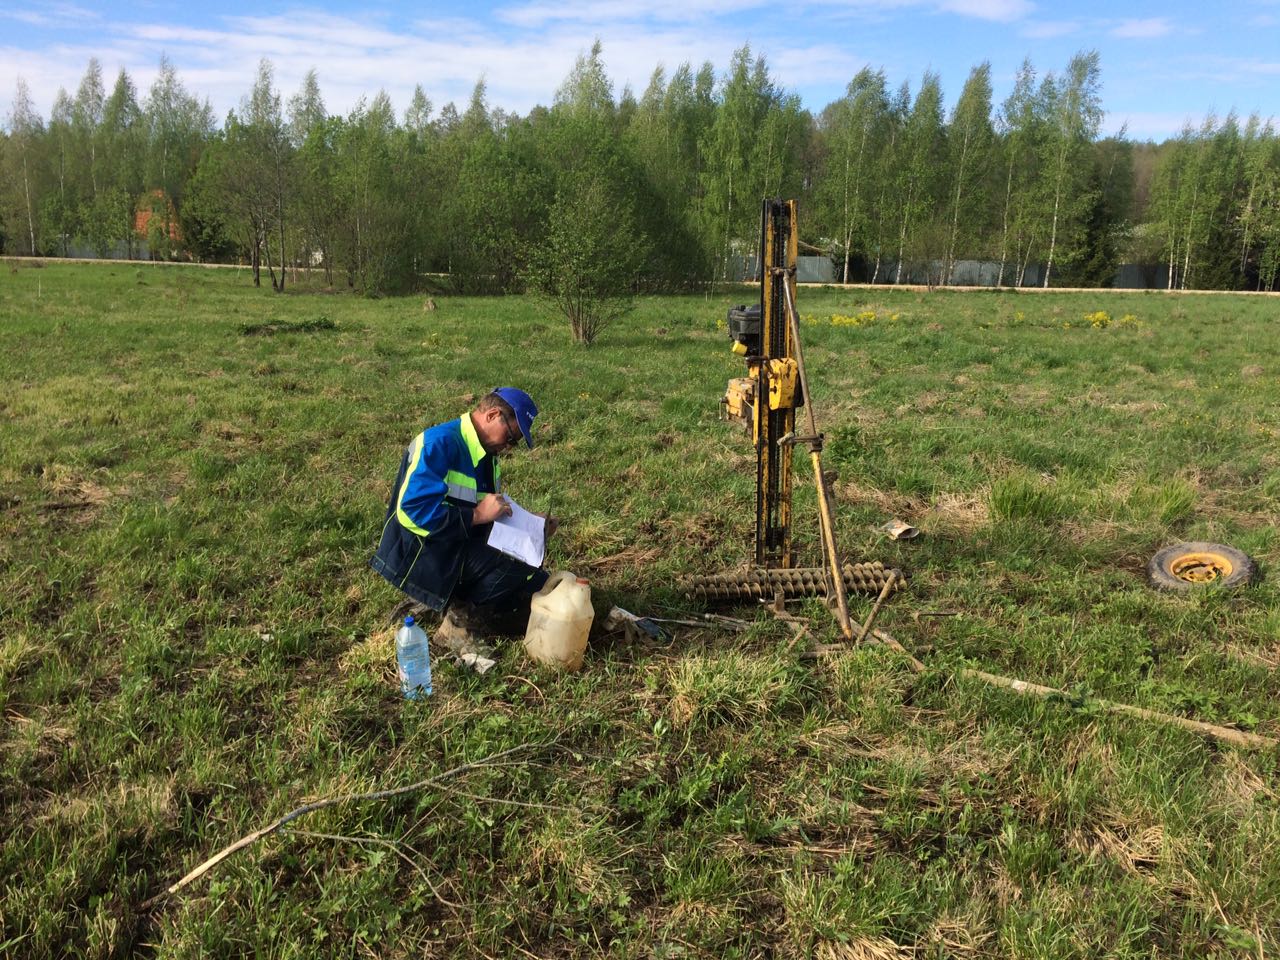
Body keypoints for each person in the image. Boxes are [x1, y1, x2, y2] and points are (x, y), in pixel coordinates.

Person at [370, 388, 557, 653]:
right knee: (513, 565)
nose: (508, 447)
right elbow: (413, 512)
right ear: (493, 415)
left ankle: (475, 607)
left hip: (454, 542)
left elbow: (486, 509)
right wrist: (478, 515)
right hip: (423, 554)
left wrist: (534, 525)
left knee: (537, 578)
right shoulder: (439, 443)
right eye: (511, 437)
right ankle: (458, 622)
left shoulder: (486, 456)